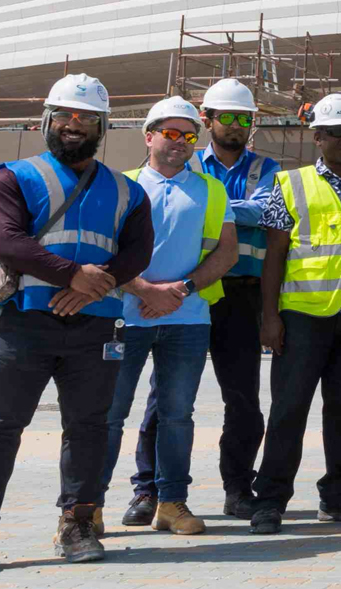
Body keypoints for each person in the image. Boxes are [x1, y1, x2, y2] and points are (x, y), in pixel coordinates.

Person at [0, 74, 154, 577]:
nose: (74, 125)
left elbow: (139, 252)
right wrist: (72, 275)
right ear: (46, 120)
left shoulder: (129, 192)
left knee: (89, 428)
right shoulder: (11, 179)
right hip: (23, 324)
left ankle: (78, 524)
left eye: (86, 118)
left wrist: (94, 286)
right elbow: (6, 241)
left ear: (103, 126)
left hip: (96, 327)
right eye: (65, 115)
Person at [248, 94, 341, 535]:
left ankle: (340, 496)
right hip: (302, 317)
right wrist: (269, 315)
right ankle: (270, 500)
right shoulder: (290, 184)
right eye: (338, 133)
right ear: (318, 137)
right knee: (289, 409)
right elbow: (274, 253)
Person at [101, 97, 238, 538]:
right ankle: (88, 505)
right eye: (171, 133)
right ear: (149, 136)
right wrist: (143, 289)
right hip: (124, 315)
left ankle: (171, 502)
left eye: (189, 136)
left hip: (188, 317)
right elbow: (106, 252)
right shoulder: (121, 186)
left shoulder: (210, 190)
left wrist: (180, 290)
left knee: (178, 414)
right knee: (108, 413)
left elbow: (226, 251)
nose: (181, 142)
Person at [191, 77, 284, 519]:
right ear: (206, 119)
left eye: (243, 118)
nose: (235, 125)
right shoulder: (185, 162)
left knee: (243, 401)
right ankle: (151, 490)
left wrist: (206, 204)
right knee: (168, 398)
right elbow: (247, 211)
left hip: (242, 295)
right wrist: (236, 208)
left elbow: (267, 211)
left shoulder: (267, 169)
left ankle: (237, 487)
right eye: (225, 116)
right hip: (189, 292)